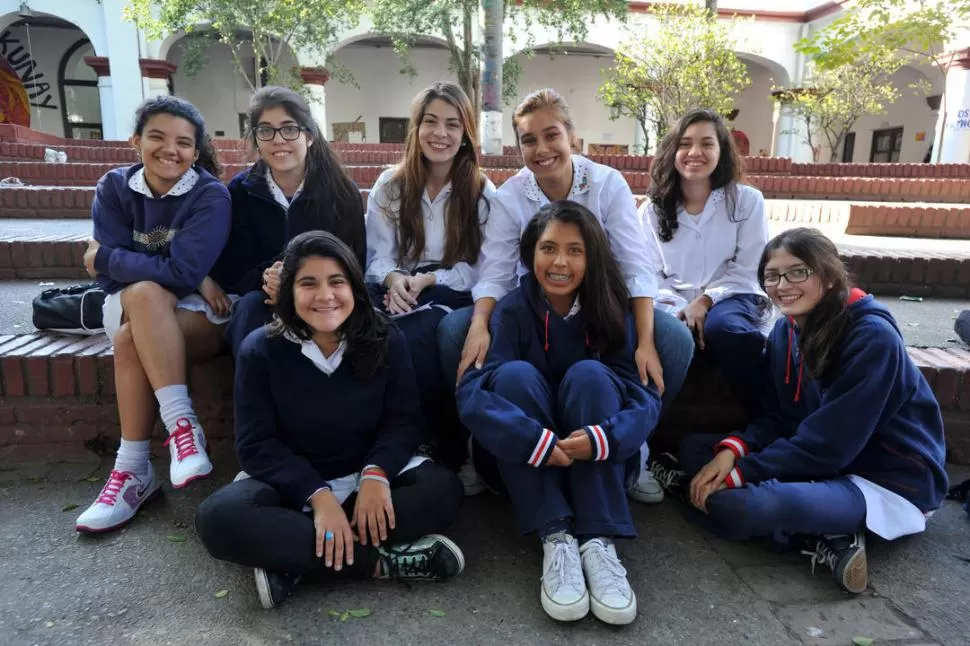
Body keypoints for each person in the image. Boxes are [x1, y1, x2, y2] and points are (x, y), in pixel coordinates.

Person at [438, 88, 694, 503]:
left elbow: (635, 267)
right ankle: (485, 445)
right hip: (533, 312)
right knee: (454, 330)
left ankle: (633, 449)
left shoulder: (607, 184)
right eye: (528, 140)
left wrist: (645, 342)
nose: (541, 149)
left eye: (551, 135)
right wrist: (480, 324)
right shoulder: (510, 197)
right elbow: (496, 272)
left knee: (673, 340)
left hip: (599, 308)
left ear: (572, 136)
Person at [196, 231, 465, 609]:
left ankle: (293, 560)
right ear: (288, 291)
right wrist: (318, 497)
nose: (325, 296)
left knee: (443, 491)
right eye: (309, 284)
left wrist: (376, 474)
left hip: (366, 485)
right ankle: (379, 563)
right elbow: (256, 445)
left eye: (336, 282)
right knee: (218, 519)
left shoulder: (384, 337)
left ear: (354, 287)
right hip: (295, 493)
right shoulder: (261, 348)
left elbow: (402, 421)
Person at [678, 227, 948, 594]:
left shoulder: (871, 337)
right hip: (824, 465)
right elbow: (778, 418)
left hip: (882, 480)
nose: (782, 284)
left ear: (830, 275)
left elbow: (828, 447)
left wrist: (743, 473)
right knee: (696, 450)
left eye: (798, 271)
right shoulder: (785, 331)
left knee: (741, 509)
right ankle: (824, 530)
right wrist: (735, 450)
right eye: (771, 276)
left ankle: (828, 534)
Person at [458, 201, 663, 625]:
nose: (560, 262)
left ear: (592, 257)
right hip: (526, 462)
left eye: (575, 250)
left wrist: (605, 437)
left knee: (592, 374)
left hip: (599, 459)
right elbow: (473, 394)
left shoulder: (610, 310)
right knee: (512, 376)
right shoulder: (512, 311)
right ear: (531, 253)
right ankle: (556, 538)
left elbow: (644, 398)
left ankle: (597, 540)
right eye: (548, 248)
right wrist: (528, 438)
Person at [75, 96, 231, 533]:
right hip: (134, 305)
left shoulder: (209, 195)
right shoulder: (113, 187)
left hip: (196, 316)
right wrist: (184, 273)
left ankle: (133, 471)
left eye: (184, 142)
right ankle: (182, 427)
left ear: (196, 152)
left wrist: (110, 256)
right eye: (158, 137)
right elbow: (111, 282)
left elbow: (170, 270)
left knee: (131, 333)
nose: (171, 149)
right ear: (136, 141)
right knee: (143, 295)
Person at [366, 82, 493, 474]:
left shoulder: (479, 190)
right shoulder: (390, 186)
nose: (441, 133)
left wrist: (429, 280)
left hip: (452, 287)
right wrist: (394, 279)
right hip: (397, 284)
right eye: (431, 122)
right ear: (416, 128)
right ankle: (383, 439)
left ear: (466, 133)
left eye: (453, 124)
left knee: (424, 333)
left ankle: (446, 443)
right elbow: (377, 256)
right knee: (371, 329)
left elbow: (481, 268)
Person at [213, 86, 365, 356]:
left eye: (289, 128)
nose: (278, 139)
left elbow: (354, 260)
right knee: (249, 309)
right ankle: (253, 396)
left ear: (308, 136)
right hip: (264, 295)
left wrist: (299, 281)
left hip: (326, 293)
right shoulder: (240, 192)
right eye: (265, 130)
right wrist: (267, 278)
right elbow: (233, 266)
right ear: (256, 139)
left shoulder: (341, 192)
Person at [642, 108, 772, 415]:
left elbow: (749, 268)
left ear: (722, 150)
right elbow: (648, 272)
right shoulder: (653, 208)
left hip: (733, 296)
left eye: (706, 144)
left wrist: (705, 300)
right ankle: (652, 432)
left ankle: (764, 417)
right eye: (685, 144)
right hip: (670, 301)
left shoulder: (747, 201)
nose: (694, 153)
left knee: (725, 330)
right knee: (673, 337)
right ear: (672, 151)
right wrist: (678, 308)